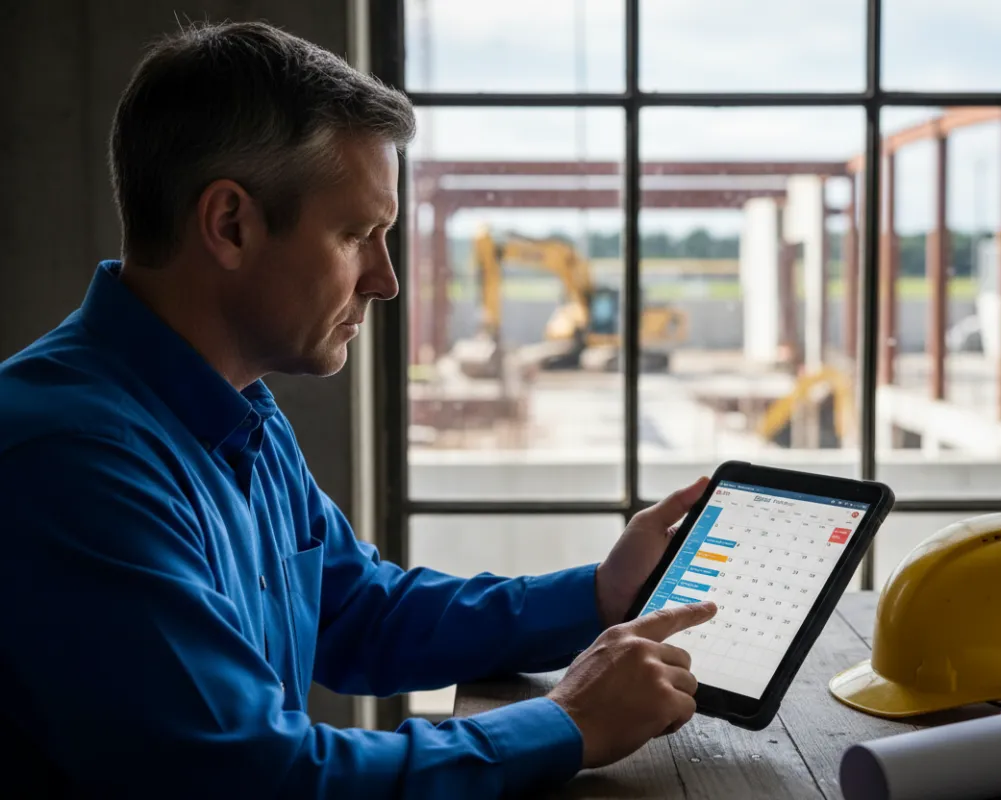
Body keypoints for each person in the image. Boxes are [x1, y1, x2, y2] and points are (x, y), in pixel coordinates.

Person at [0, 20, 718, 798]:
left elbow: (358, 615)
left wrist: (599, 596)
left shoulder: (239, 415)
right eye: (357, 235)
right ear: (230, 224)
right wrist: (568, 723)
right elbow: (254, 778)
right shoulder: (70, 460)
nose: (385, 280)